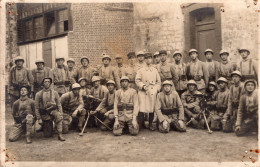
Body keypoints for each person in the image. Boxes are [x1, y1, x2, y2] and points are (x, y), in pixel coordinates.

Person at [136, 52, 161, 130]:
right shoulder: (141, 70)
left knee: (151, 109)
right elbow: (137, 80)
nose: (148, 60)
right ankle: (141, 124)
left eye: (149, 58)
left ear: (151, 59)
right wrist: (142, 86)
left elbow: (158, 82)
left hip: (152, 91)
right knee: (141, 108)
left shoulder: (155, 70)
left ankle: (150, 124)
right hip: (143, 91)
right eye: (146, 58)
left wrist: (156, 89)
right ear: (144, 59)